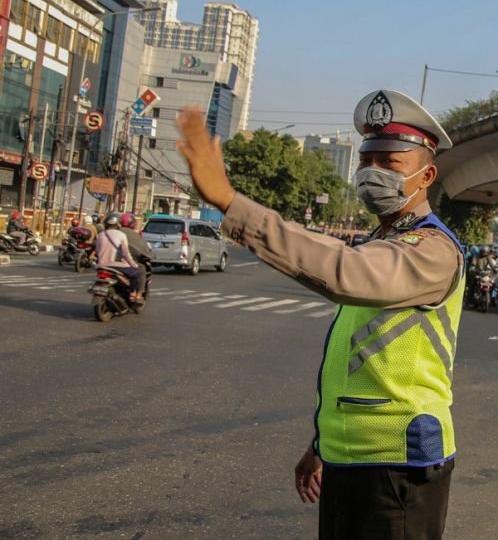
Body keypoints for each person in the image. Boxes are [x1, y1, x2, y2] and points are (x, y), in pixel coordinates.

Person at [176, 89, 464, 540]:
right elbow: (355, 369)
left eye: (390, 163)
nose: (373, 172)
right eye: (367, 161)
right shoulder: (379, 243)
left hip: (400, 464)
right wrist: (320, 447)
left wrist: (232, 202)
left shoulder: (433, 251)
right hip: (349, 458)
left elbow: (343, 270)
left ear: (426, 175)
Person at [95, 212, 143, 301]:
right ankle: (132, 293)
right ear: (118, 224)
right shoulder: (122, 235)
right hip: (117, 266)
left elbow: (97, 251)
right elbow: (126, 253)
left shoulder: (101, 235)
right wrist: (133, 264)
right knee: (136, 274)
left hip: (101, 265)